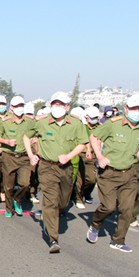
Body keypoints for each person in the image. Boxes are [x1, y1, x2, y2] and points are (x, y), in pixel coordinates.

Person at [23, 92, 88, 253]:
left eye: (61, 105)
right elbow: (26, 136)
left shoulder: (75, 124)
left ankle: (53, 216)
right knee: (50, 200)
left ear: (67, 107)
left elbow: (82, 144)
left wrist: (69, 156)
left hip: (66, 168)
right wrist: (31, 155)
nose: (57, 107)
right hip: (47, 167)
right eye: (54, 104)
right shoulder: (42, 122)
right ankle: (53, 237)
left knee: (63, 201)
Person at [86, 95, 139, 252]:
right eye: (134, 109)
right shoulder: (114, 124)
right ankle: (95, 225)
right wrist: (100, 156)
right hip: (109, 173)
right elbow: (94, 136)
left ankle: (118, 240)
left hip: (129, 174)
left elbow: (136, 147)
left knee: (127, 209)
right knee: (109, 207)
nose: (137, 112)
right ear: (126, 109)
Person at [0, 96, 34, 217]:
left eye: (21, 105)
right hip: (9, 156)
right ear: (11, 108)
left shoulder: (29, 122)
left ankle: (17, 199)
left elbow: (36, 133)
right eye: (16, 106)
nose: (19, 108)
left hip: (24, 157)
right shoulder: (5, 122)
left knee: (25, 183)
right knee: (8, 186)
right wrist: (7, 142)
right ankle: (8, 208)